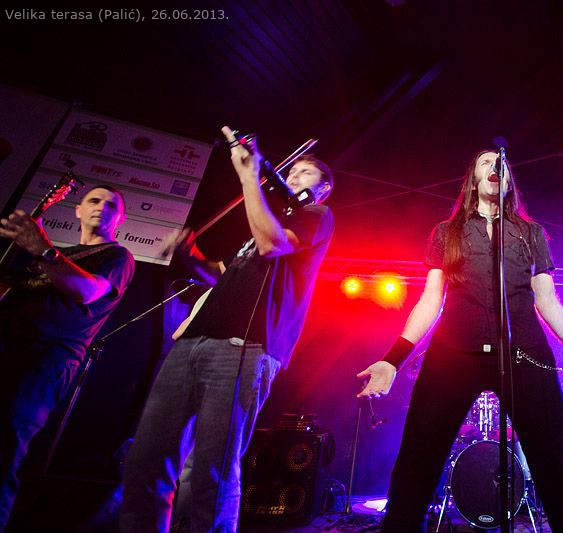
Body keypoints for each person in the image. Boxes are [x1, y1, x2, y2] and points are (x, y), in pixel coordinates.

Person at [358, 150, 563, 532]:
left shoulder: (530, 233)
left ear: (508, 183)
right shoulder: (447, 232)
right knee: (417, 460)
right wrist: (393, 359)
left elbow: (547, 302)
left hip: (524, 352)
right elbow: (430, 301)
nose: (494, 167)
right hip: (453, 355)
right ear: (473, 179)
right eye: (485, 162)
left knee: (556, 462)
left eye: (500, 164)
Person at [120, 126, 334, 532]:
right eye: (292, 171)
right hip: (194, 342)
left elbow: (272, 245)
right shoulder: (265, 219)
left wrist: (249, 178)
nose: (293, 176)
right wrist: (191, 253)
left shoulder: (316, 216)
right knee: (146, 458)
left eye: (305, 173)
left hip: (245, 347)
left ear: (323, 189)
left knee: (210, 468)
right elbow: (222, 274)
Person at [0, 185, 134, 529]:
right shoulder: (63, 253)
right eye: (94, 200)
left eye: (111, 205)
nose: (101, 207)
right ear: (77, 210)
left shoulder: (117, 257)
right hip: (8, 346)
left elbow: (87, 291)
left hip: (47, 359)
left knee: (4, 448)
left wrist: (44, 250)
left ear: (121, 219)